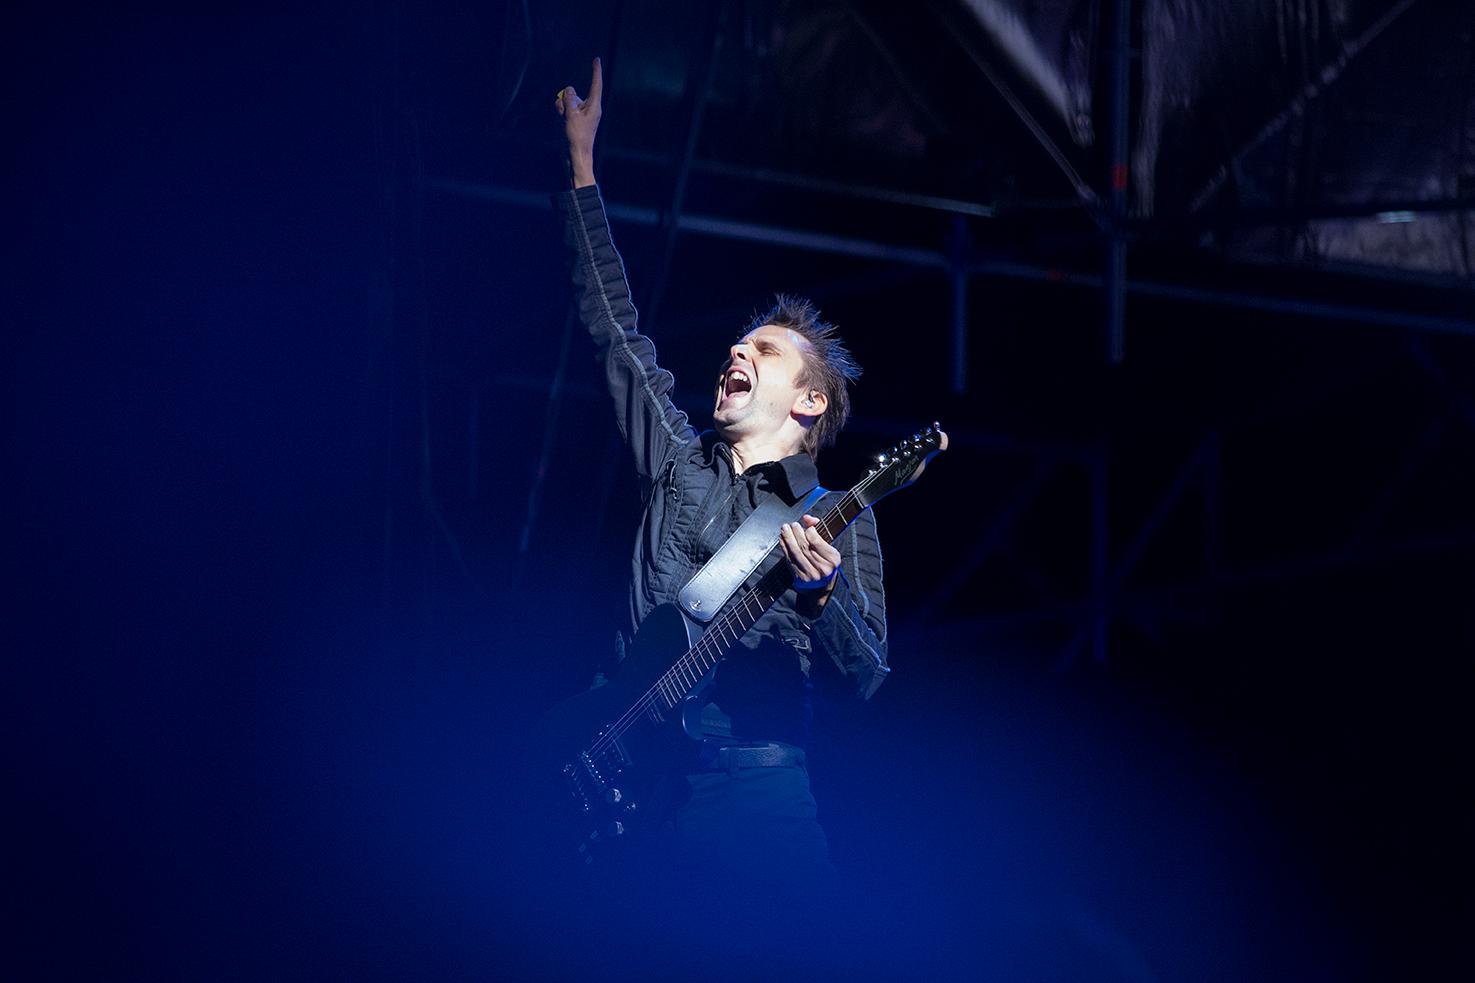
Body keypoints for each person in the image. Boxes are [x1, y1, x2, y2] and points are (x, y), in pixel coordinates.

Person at [550, 57, 889, 896]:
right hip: (629, 770)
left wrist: (824, 594)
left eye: (764, 350)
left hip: (752, 796)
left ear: (809, 401)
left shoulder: (834, 513)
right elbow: (615, 332)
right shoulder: (677, 456)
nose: (737, 350)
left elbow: (867, 673)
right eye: (740, 343)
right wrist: (582, 172)